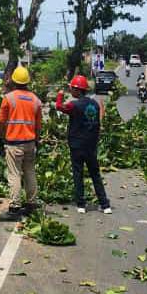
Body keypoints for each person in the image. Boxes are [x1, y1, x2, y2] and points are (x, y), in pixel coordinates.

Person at [56, 75, 111, 214]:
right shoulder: (95, 104)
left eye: (72, 89)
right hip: (91, 145)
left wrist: (60, 95)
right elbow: (99, 119)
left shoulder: (74, 105)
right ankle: (105, 205)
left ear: (78, 90)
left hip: (77, 145)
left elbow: (59, 107)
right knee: (95, 174)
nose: (70, 91)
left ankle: (81, 204)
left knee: (78, 174)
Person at [0, 66, 42, 221]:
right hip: (30, 142)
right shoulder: (36, 100)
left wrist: (1, 137)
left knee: (14, 174)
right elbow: (38, 125)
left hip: (14, 143)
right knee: (30, 172)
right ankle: (31, 204)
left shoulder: (8, 98)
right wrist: (37, 141)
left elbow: (1, 121)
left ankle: (15, 208)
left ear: (14, 81)